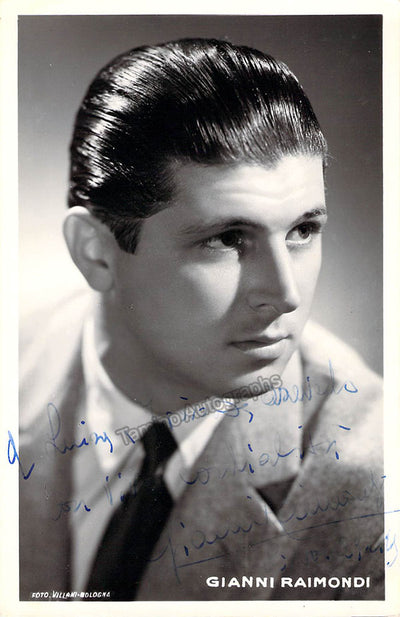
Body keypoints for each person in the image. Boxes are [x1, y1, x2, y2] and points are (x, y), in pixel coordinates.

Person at [19, 38, 384, 601]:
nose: (285, 295)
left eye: (302, 230)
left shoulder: (376, 496)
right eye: (228, 238)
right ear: (96, 253)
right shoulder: (17, 362)